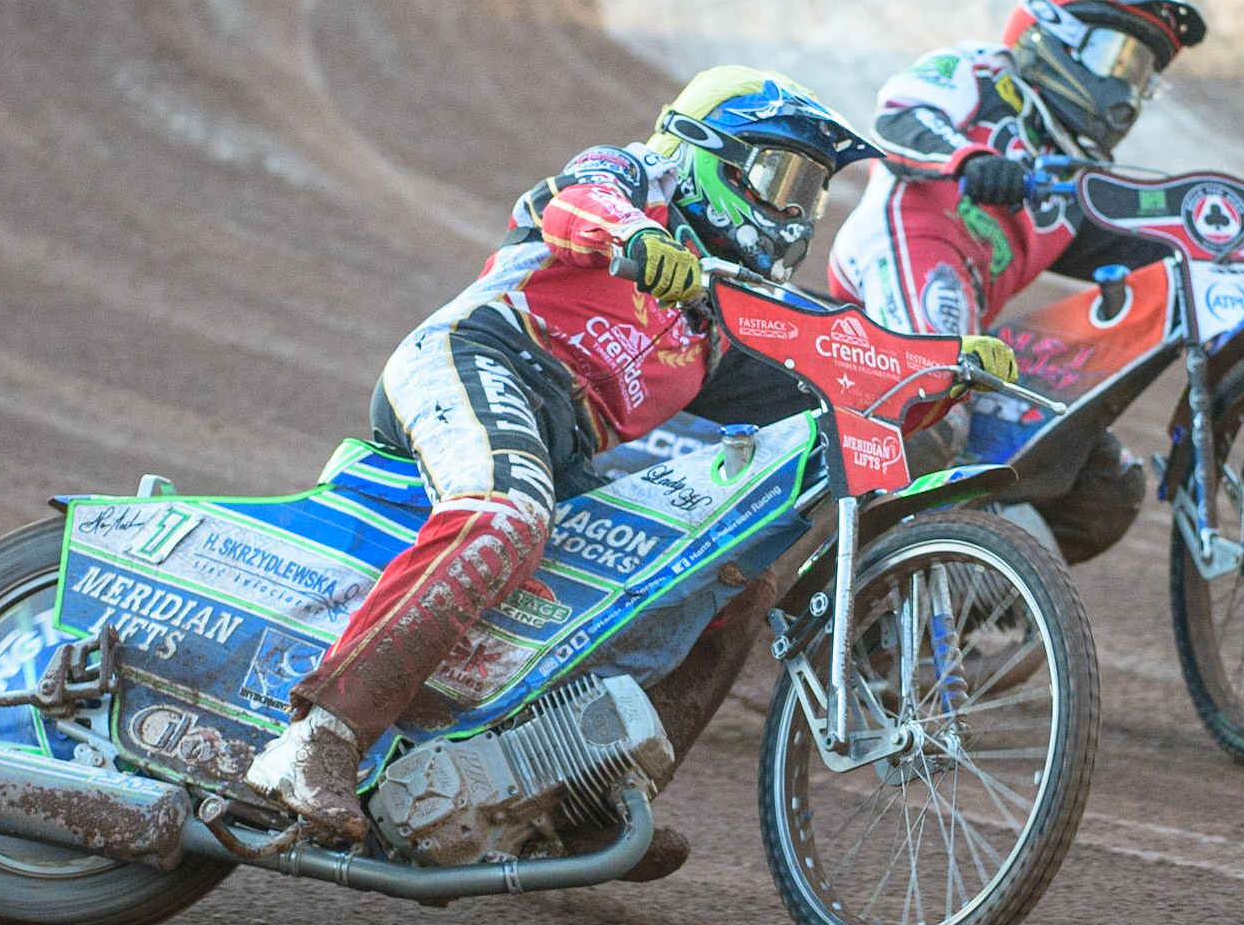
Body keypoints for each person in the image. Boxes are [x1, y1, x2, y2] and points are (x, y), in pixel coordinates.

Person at [246, 66, 1017, 843]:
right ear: (706, 155)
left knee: (727, 584)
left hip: (568, 445)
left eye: (809, 191)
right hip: (480, 358)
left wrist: (944, 371)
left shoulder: (716, 322)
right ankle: (319, 739)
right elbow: (577, 204)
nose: (792, 210)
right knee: (506, 514)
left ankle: (595, 796)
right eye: (779, 176)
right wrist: (637, 237)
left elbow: (832, 378)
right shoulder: (633, 176)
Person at [827, 0, 1244, 562]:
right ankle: (821, 566)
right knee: (938, 407)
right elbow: (896, 117)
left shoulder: (1077, 183)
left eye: (1141, 72)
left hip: (968, 320)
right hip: (902, 251)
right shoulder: (979, 70)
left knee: (1106, 491)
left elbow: (1185, 244)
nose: (1126, 86)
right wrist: (971, 161)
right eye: (1116, 58)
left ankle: (909, 622)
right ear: (1048, 35)